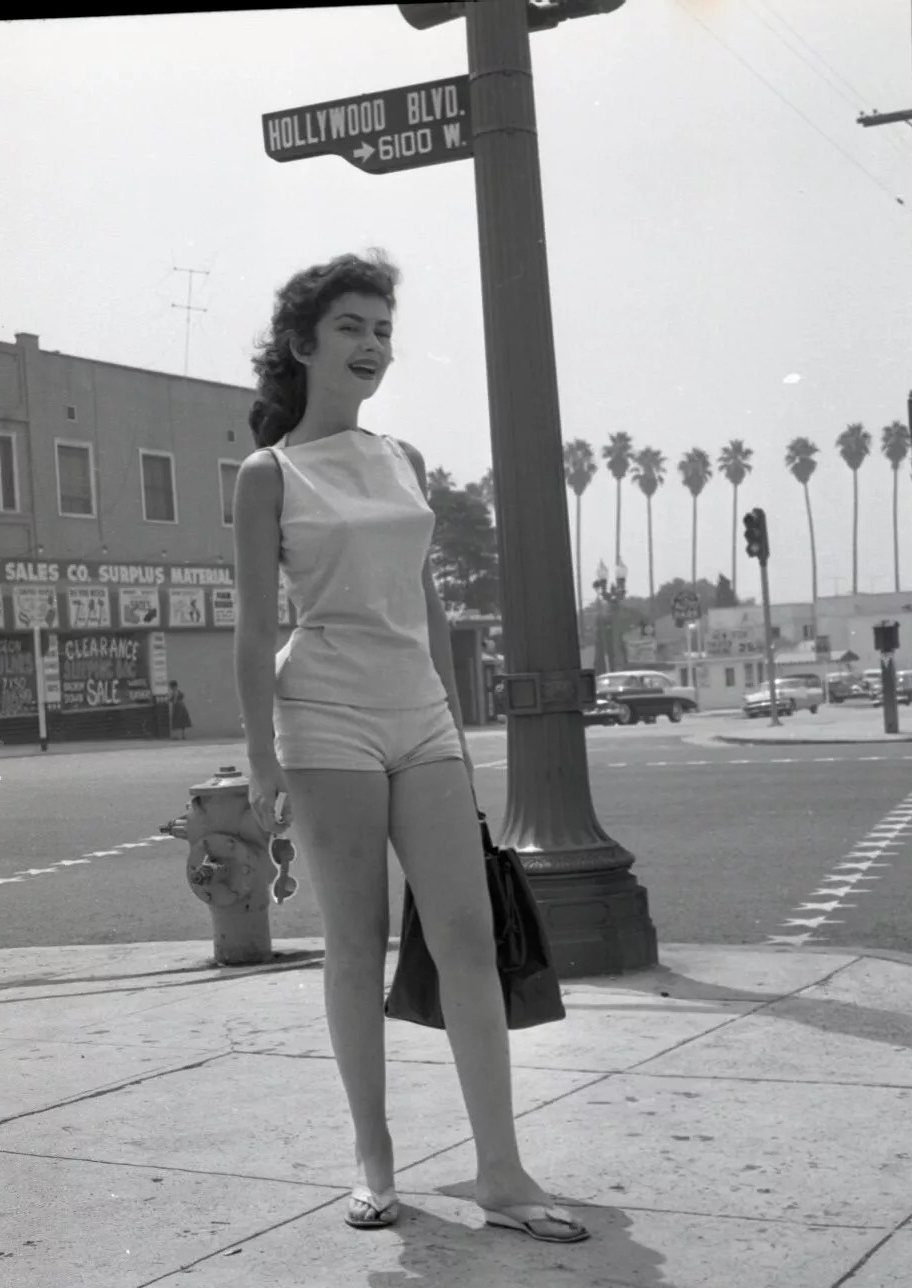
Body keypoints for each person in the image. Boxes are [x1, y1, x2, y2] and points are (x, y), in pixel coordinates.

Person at [232, 251, 586, 1243]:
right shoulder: (270, 474)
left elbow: (427, 601)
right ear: (302, 344)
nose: (372, 346)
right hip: (324, 715)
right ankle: (373, 1156)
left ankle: (502, 1172)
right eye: (350, 326)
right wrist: (261, 757)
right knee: (358, 942)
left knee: (467, 936)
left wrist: (455, 726)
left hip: (419, 714)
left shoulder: (402, 458)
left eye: (382, 329)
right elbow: (257, 630)